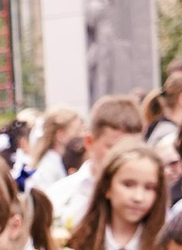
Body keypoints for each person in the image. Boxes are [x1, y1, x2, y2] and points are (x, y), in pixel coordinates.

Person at [32, 96, 144, 236]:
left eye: (132, 150)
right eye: (113, 148)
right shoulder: (59, 196)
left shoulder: (147, 200)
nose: (122, 158)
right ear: (89, 142)